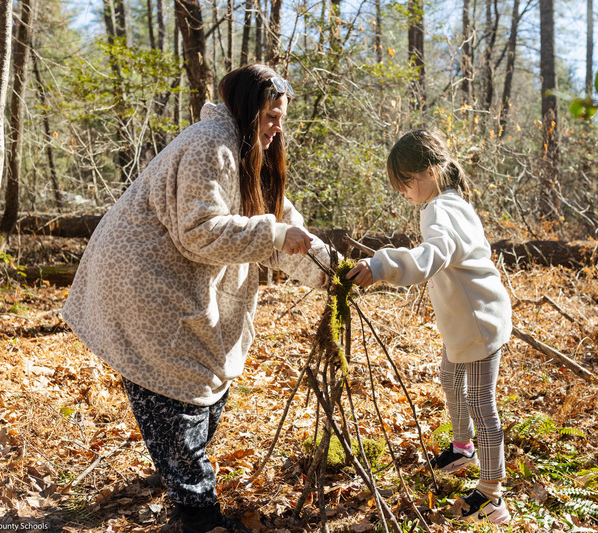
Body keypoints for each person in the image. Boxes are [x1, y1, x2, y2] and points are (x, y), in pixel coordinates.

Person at [62, 64, 332, 533]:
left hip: (177, 284)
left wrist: (334, 272)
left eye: (281, 117)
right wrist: (274, 234)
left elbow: (286, 229)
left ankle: (178, 479)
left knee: (204, 394)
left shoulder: (251, 154)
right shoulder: (210, 145)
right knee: (178, 393)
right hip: (142, 283)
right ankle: (198, 516)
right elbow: (199, 230)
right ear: (248, 112)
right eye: (270, 116)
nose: (277, 126)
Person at [347, 129, 513, 525]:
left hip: (479, 325)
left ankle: (492, 494)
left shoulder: (443, 210)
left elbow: (431, 256)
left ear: (432, 171)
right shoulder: (447, 203)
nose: (403, 191)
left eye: (406, 182)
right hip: (467, 323)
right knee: (449, 377)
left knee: (481, 403)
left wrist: (381, 265)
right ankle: (462, 447)